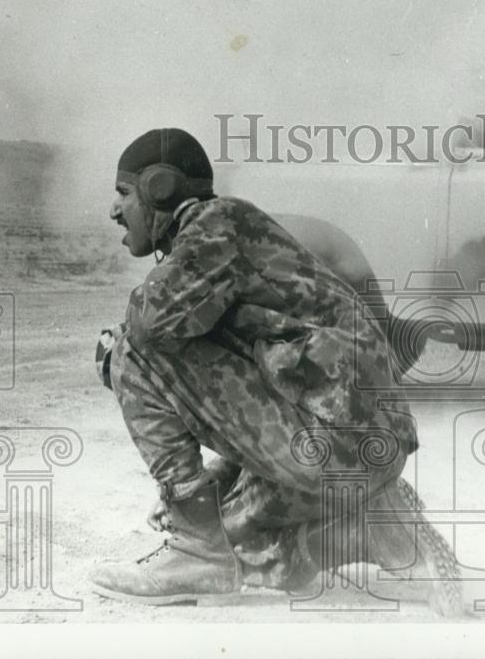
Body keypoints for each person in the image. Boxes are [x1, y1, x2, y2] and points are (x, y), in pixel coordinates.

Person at [90, 128, 462, 614]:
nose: (114, 211)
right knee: (242, 541)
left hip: (335, 442)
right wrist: (211, 489)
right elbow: (263, 392)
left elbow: (148, 323)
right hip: (362, 447)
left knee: (129, 351)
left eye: (123, 193)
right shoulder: (232, 238)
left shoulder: (214, 224)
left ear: (159, 188)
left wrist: (110, 353)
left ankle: (197, 552)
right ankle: (376, 529)